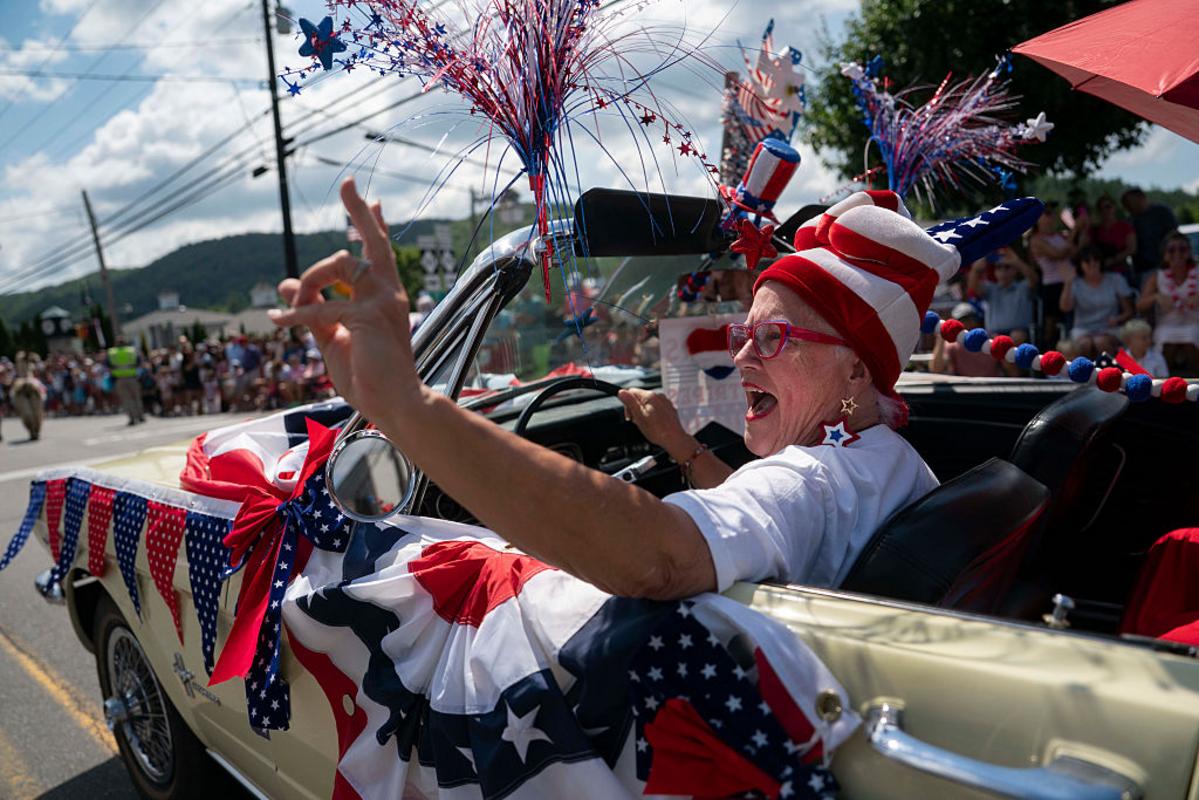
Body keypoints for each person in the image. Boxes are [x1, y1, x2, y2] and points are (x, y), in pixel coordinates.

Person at [269, 180, 955, 597]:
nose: (741, 353)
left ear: (856, 370)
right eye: (742, 332)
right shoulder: (882, 460)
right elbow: (772, 520)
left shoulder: (813, 480)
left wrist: (408, 408)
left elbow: (660, 560)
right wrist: (680, 447)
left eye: (772, 337)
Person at [1137, 231, 1199, 376]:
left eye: (1182, 249)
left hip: (1194, 322)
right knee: (1164, 338)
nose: (1177, 254)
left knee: (1193, 335)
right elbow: (1140, 305)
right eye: (1171, 250)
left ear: (1189, 252)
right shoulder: (1157, 276)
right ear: (1165, 255)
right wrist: (1155, 297)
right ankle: (1166, 381)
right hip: (1167, 324)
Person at [1060, 245, 1134, 353]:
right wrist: (1068, 283)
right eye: (1087, 261)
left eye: (1096, 260)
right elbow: (1065, 308)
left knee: (1101, 342)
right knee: (1084, 344)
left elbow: (1129, 311)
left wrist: (1118, 319)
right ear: (1080, 264)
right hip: (1083, 329)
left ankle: (1108, 364)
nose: (1092, 264)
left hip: (1109, 329)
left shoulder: (1115, 279)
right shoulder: (1075, 283)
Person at [966, 246, 1038, 346]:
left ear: (1015, 270)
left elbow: (1034, 279)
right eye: (999, 267)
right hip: (994, 335)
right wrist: (975, 270)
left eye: (1007, 267)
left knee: (1017, 336)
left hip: (1019, 334)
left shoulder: (1023, 287)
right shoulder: (990, 288)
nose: (1003, 271)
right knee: (989, 340)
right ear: (995, 271)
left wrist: (1017, 262)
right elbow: (973, 287)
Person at [1028, 203, 1075, 347]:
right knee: (1051, 326)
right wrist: (1076, 229)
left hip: (1070, 283)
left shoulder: (1060, 236)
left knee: (1069, 321)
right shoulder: (1036, 240)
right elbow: (1058, 254)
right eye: (1047, 213)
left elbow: (1076, 251)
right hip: (1052, 287)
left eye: (1052, 213)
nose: (1051, 217)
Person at [930, 303, 1003, 377]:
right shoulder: (952, 346)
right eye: (963, 320)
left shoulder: (994, 341)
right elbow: (936, 369)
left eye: (971, 319)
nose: (968, 323)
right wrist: (941, 339)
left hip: (994, 384)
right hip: (963, 384)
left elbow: (1009, 370)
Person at [1122, 188, 1178, 283]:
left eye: (1129, 202)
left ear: (1141, 197)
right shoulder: (1130, 221)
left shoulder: (1162, 212)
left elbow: (1174, 236)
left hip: (1166, 266)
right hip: (1143, 271)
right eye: (1125, 204)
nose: (1127, 206)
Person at [1090, 194, 1136, 274]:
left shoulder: (1125, 227)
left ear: (1114, 207)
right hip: (1099, 272)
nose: (1105, 211)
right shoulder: (1094, 230)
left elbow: (1132, 249)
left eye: (1108, 207)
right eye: (1101, 208)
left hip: (1120, 271)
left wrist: (1113, 260)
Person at [107, 337, 144, 426]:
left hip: (119, 379)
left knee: (126, 399)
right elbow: (139, 362)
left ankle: (132, 418)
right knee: (136, 397)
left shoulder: (112, 352)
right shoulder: (131, 350)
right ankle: (140, 416)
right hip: (132, 377)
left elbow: (108, 365)